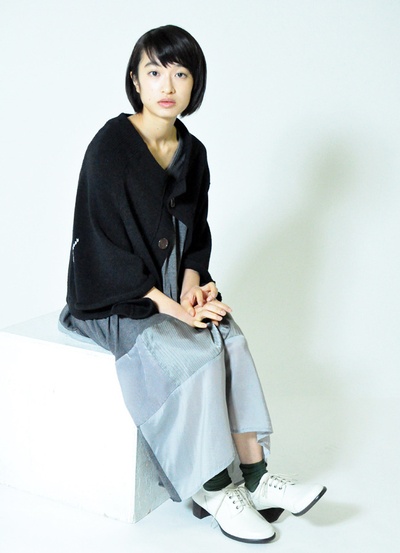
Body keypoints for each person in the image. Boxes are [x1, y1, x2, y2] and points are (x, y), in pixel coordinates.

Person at [60, 24, 326, 544]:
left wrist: (191, 288)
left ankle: (256, 476)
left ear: (194, 84)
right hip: (118, 297)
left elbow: (196, 234)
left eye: (180, 74)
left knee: (229, 337)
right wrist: (172, 308)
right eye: (154, 71)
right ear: (135, 80)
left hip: (169, 292)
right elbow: (100, 246)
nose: (167, 85)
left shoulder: (193, 151)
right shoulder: (111, 146)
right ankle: (214, 488)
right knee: (189, 355)